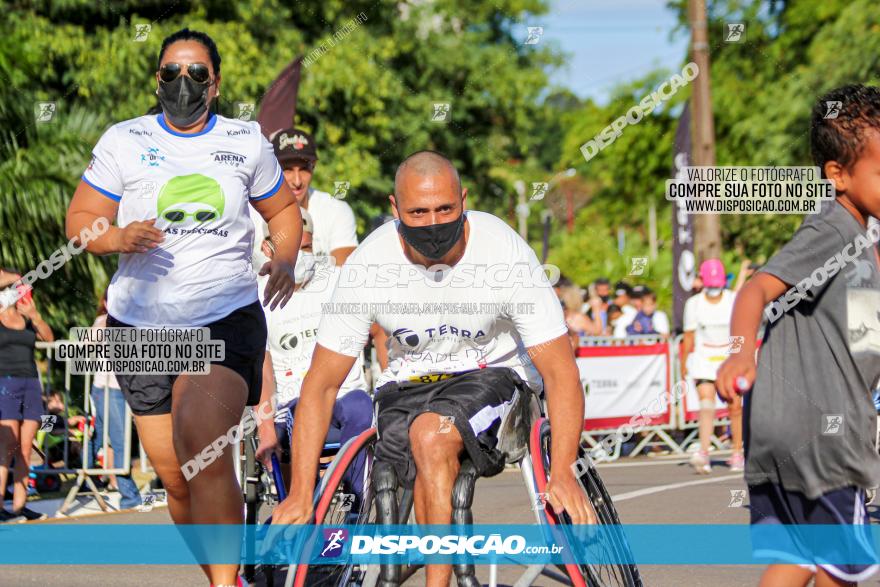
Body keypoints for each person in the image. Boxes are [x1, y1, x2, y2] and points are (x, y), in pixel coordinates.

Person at [272, 151, 593, 587]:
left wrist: (564, 473)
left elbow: (560, 371)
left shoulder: (502, 249)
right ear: (394, 209)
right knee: (401, 462)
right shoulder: (369, 264)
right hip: (406, 387)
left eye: (445, 209)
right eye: (418, 212)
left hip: (493, 378)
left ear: (464, 200)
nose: (432, 223)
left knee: (430, 433)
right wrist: (299, 494)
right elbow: (322, 385)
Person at [65, 28, 301, 587]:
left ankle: (224, 585)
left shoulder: (245, 141)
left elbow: (284, 214)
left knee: (201, 445)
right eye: (172, 72)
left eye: (197, 74)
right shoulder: (125, 139)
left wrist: (286, 257)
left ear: (215, 84)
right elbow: (79, 223)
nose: (183, 82)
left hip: (223, 318)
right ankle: (230, 577)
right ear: (157, 79)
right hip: (141, 326)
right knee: (175, 481)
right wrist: (115, 237)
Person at [717, 84, 880, 587]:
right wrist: (740, 354)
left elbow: (862, 338)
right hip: (823, 431)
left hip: (789, 426)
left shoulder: (858, 241)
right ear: (838, 175)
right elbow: (756, 288)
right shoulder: (833, 229)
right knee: (841, 565)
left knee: (801, 556)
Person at [253, 208, 372, 494]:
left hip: (344, 395)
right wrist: (265, 427)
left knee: (361, 406)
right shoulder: (255, 296)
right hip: (291, 402)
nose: (300, 256)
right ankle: (303, 504)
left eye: (305, 247)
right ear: (267, 249)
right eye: (291, 248)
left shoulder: (339, 281)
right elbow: (262, 370)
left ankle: (361, 504)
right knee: (299, 414)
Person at [249, 127, 358, 271]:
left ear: (314, 167)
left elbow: (345, 274)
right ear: (271, 167)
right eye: (287, 169)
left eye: (304, 168)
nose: (297, 180)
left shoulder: (337, 210)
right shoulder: (249, 212)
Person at [0, 270, 53, 522]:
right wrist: (14, 277)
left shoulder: (25, 316)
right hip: (5, 383)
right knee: (6, 446)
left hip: (31, 382)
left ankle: (20, 506)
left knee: (25, 448)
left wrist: (35, 315)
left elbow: (49, 338)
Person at [681, 259, 741, 474]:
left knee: (734, 405)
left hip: (728, 356)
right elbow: (689, 336)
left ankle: (737, 453)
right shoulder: (694, 304)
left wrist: (738, 356)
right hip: (704, 357)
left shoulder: (733, 299)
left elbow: (739, 330)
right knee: (706, 404)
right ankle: (704, 452)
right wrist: (684, 363)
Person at [88, 290, 142, 510]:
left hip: (119, 389)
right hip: (107, 389)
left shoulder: (131, 323)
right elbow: (87, 348)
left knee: (97, 439)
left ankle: (84, 476)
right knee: (120, 443)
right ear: (106, 303)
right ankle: (129, 497)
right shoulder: (103, 322)